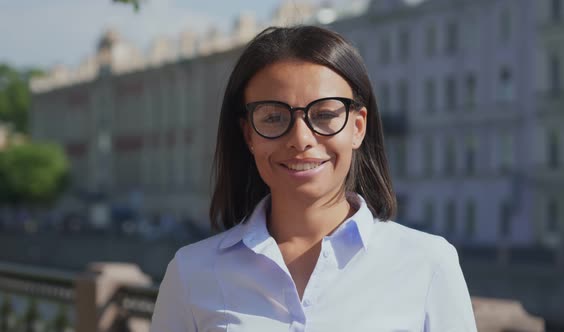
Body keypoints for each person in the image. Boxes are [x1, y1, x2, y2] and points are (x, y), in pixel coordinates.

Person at [150, 25, 477, 331]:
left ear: (357, 127)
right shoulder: (191, 274)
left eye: (324, 114)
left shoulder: (429, 264)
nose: (301, 139)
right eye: (274, 117)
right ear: (249, 134)